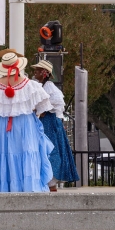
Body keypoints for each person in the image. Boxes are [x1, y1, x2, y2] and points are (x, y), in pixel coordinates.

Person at [0, 52, 54, 192]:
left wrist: (0, 110)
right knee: (25, 155)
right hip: (24, 127)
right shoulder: (31, 86)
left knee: (0, 155)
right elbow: (41, 110)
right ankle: (26, 189)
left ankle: (0, 190)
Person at [32, 59, 80, 191]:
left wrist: (42, 110)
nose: (34, 72)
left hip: (50, 122)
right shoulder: (40, 86)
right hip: (45, 121)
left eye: (37, 70)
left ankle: (51, 181)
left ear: (44, 73)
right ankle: (47, 181)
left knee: (51, 150)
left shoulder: (50, 87)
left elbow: (57, 102)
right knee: (44, 149)